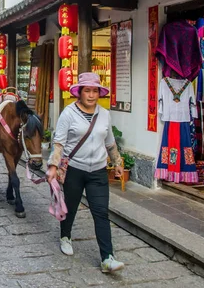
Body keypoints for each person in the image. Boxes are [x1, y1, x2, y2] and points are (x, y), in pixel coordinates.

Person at [46, 72, 125, 273]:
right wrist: (53, 167)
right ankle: (65, 236)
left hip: (98, 171)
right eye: (87, 90)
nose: (91, 95)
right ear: (79, 93)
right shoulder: (69, 113)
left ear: (100, 93)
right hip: (74, 169)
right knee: (70, 208)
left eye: (95, 91)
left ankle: (107, 257)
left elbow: (110, 142)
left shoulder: (105, 114)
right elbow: (59, 142)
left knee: (101, 212)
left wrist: (117, 161)